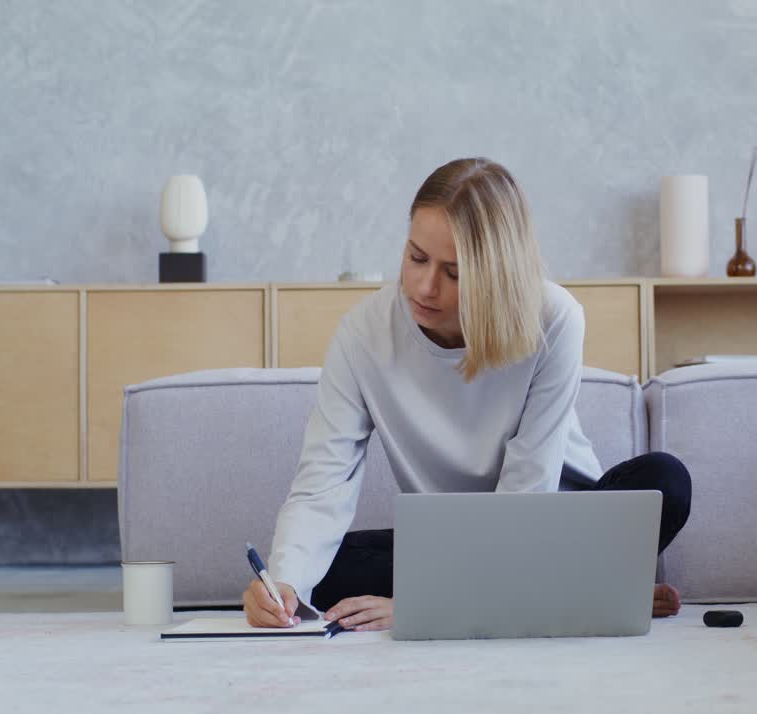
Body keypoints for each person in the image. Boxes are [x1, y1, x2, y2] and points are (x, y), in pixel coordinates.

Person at [243, 158, 692, 630]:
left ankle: (565, 588)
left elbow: (528, 491)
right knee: (328, 570)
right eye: (416, 257)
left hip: (551, 529)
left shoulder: (555, 318)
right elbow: (324, 481)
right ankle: (587, 592)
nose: (424, 286)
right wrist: (286, 586)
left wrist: (430, 602)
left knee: (666, 479)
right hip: (456, 542)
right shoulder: (362, 333)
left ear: (495, 271)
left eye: (454, 273)